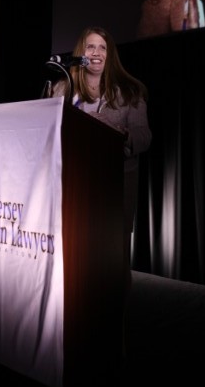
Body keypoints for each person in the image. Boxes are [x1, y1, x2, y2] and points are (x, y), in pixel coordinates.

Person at [51, 27, 152, 283]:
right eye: (90, 47)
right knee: (76, 257)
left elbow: (144, 137)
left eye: (102, 47)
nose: (96, 52)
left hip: (114, 186)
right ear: (80, 53)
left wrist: (118, 131)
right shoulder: (63, 89)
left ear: (110, 55)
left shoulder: (129, 92)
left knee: (113, 263)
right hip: (73, 184)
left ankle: (117, 304)